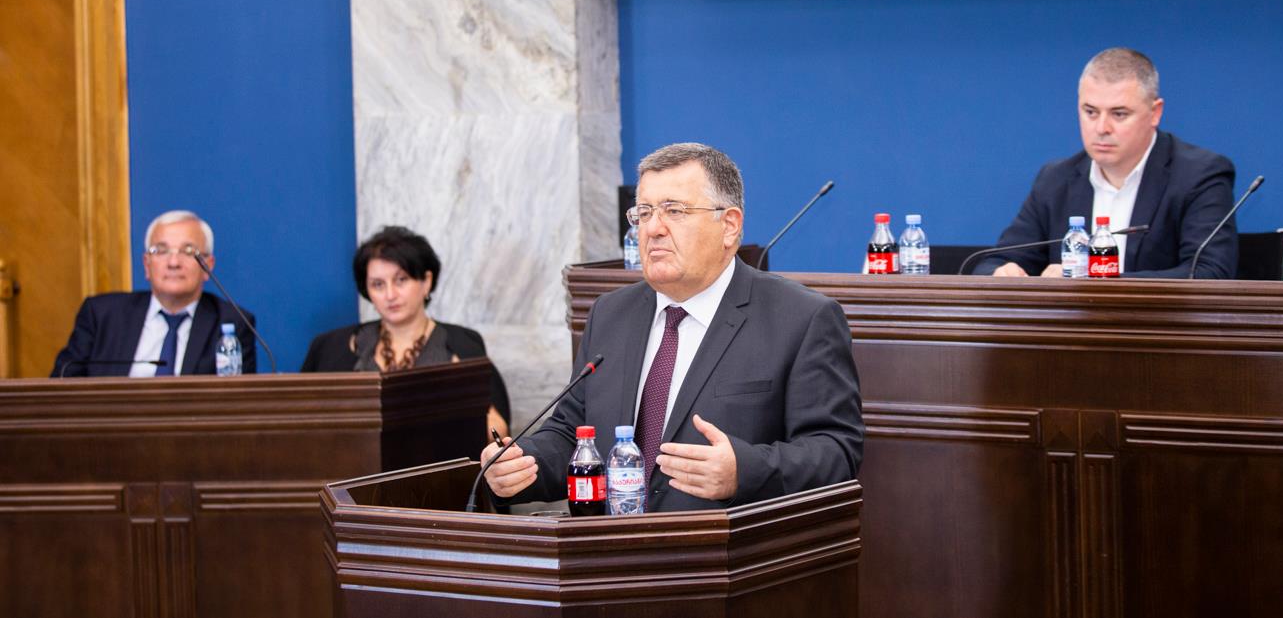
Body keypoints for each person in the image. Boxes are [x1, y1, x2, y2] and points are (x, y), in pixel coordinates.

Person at [480, 143, 864, 513]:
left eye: (674, 210)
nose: (653, 229)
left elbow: (835, 450)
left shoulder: (801, 319)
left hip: (725, 550)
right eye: (644, 212)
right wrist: (523, 464)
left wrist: (744, 471)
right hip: (607, 551)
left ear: (729, 226)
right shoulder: (610, 314)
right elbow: (571, 433)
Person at [975, 48, 1238, 279]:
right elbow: (992, 263)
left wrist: (1093, 279)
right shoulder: (1055, 180)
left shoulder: (1199, 175)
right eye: (1090, 112)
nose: (1101, 128)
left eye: (1119, 114)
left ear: (1155, 113)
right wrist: (1002, 273)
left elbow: (1208, 272)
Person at [300, 226, 511, 439]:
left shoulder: (463, 344)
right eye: (378, 284)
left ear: (426, 281)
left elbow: (498, 431)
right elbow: (300, 422)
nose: (390, 294)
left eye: (401, 280)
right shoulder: (330, 346)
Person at [52, 210, 257, 377]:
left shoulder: (233, 323)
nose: (173, 263)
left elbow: (238, 401)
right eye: (160, 250)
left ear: (207, 266)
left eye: (188, 251)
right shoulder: (101, 316)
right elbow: (62, 386)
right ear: (146, 265)